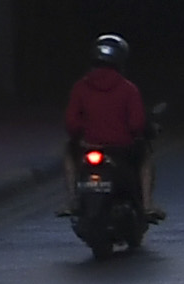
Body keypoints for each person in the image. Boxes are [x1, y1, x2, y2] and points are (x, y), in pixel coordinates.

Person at [65, 33, 154, 209]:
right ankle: (147, 204)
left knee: (68, 153)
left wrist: (84, 133)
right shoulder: (128, 89)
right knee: (145, 158)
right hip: (121, 147)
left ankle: (72, 200)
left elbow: (71, 123)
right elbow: (136, 124)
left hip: (88, 145)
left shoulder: (81, 87)